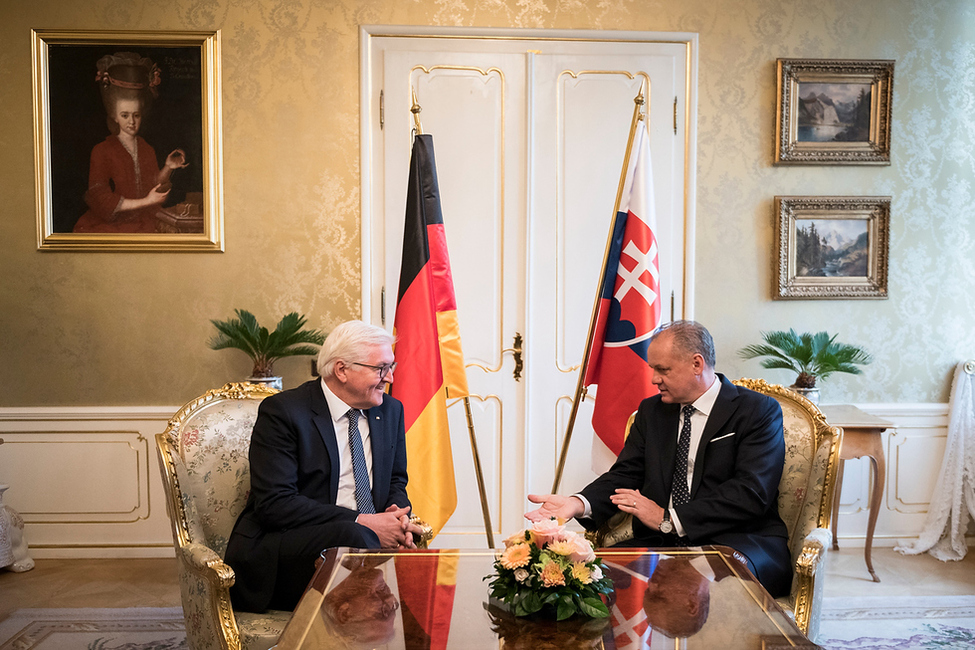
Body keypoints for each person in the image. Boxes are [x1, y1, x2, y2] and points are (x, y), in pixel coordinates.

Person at [526, 320, 792, 598]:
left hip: (737, 541)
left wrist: (669, 518)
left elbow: (751, 492)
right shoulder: (652, 411)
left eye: (663, 370)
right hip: (661, 542)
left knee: (698, 583)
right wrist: (577, 503)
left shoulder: (756, 411)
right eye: (653, 368)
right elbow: (625, 474)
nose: (653, 379)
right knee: (583, 578)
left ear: (697, 364)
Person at [226, 320, 422, 613]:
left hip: (360, 541)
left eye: (391, 366)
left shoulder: (389, 410)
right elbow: (275, 505)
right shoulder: (284, 412)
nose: (390, 377)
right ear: (342, 370)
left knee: (404, 538)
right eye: (380, 368)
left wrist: (396, 515)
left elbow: (395, 480)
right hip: (289, 543)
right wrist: (362, 522)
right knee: (355, 536)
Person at [73, 52, 188, 233]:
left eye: (136, 115)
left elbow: (153, 186)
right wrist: (146, 202)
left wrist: (168, 167)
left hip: (144, 220)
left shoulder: (146, 148)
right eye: (124, 115)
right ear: (114, 116)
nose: (131, 121)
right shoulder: (102, 150)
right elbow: (100, 196)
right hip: (112, 224)